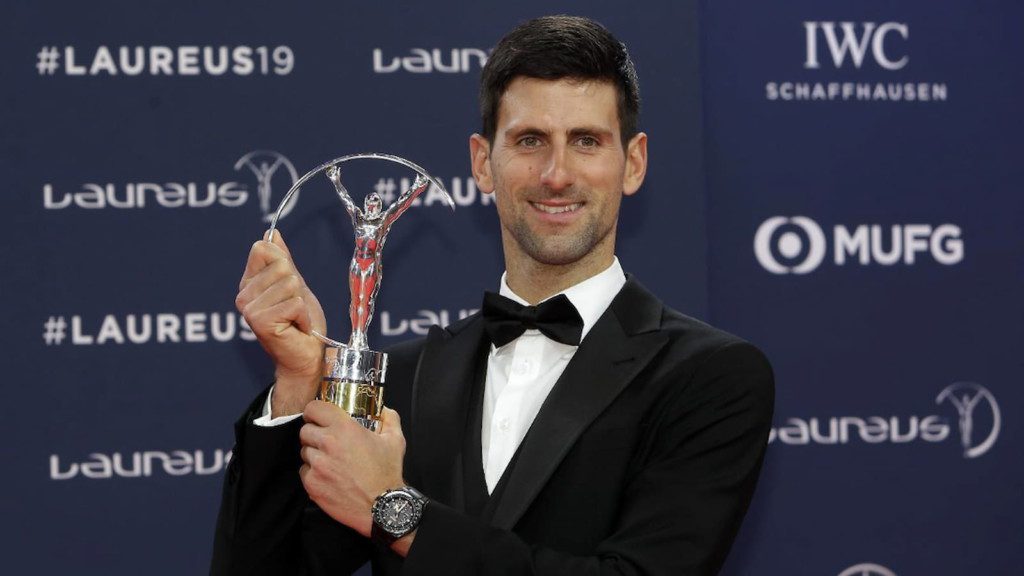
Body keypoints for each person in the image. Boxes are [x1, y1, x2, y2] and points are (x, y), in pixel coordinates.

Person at [212, 15, 774, 576]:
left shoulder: (711, 377)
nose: (556, 174)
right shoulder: (406, 380)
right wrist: (294, 386)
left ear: (633, 163)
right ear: (483, 162)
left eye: (586, 141)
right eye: (530, 140)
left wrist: (394, 511)